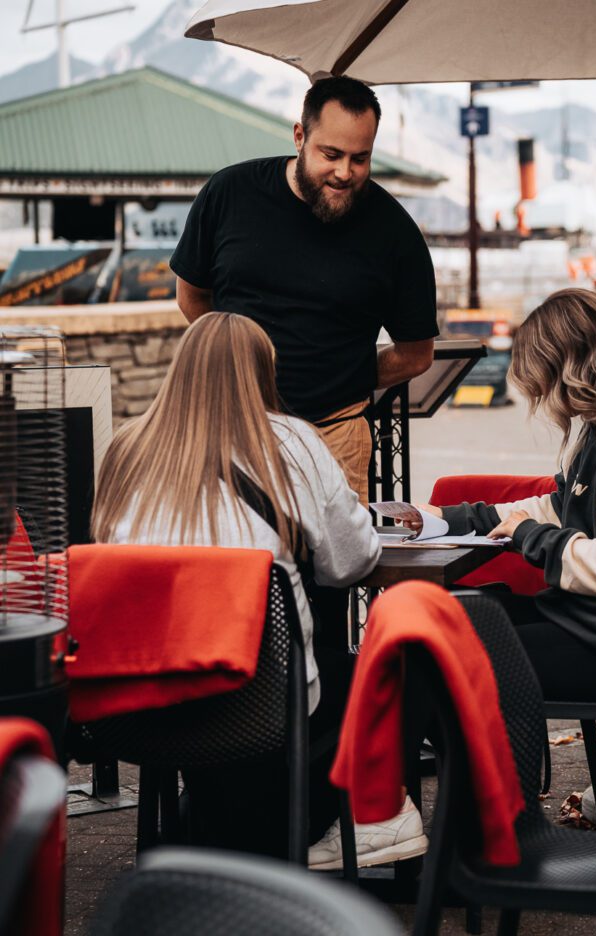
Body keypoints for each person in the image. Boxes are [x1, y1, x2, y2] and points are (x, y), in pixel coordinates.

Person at [91, 312, 427, 866]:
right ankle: (358, 818)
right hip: (263, 701)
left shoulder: (127, 448)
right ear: (265, 373)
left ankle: (205, 821)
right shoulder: (295, 442)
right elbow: (350, 561)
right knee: (379, 670)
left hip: (141, 703)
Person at [412, 289, 596, 702]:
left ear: (569, 367)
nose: (544, 394)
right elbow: (558, 508)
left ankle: (485, 765)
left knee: (441, 652)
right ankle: (473, 762)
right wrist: (446, 518)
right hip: (591, 626)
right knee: (442, 623)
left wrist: (531, 536)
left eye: (544, 377)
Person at [170, 76, 438, 507]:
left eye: (360, 158)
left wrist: (340, 376)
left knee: (334, 573)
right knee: (235, 564)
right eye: (330, 154)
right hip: (234, 425)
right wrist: (236, 365)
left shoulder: (396, 232)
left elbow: (416, 354)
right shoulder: (228, 193)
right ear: (300, 136)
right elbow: (191, 296)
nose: (344, 172)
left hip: (337, 434)